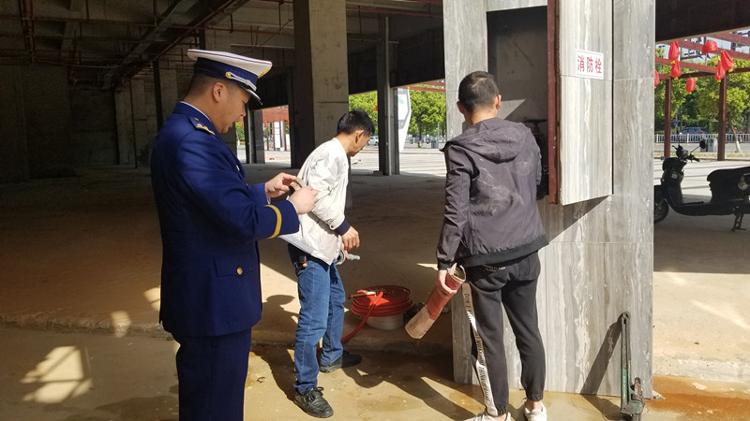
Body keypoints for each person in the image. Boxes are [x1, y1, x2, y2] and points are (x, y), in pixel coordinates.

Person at [150, 49, 317, 421]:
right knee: (216, 408)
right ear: (218, 91)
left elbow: (210, 204)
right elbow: (240, 221)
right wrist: (294, 208)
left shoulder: (186, 133)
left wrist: (262, 191)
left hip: (208, 299)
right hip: (212, 304)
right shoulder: (194, 142)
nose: (243, 113)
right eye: (243, 101)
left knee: (212, 401)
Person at [435, 71, 549, 421]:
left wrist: (444, 261)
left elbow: (455, 211)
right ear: (498, 101)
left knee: (488, 340)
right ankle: (535, 406)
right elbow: (537, 181)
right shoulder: (525, 136)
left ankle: (497, 414)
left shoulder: (460, 149)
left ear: (460, 107)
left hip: (485, 260)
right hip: (527, 249)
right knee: (528, 329)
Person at [281, 110, 374, 418]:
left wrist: (336, 243)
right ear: (359, 134)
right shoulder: (331, 155)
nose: (363, 147)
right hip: (309, 248)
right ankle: (305, 387)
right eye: (366, 141)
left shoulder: (333, 154)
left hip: (322, 247)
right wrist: (344, 228)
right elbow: (314, 197)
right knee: (313, 320)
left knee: (336, 299)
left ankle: (332, 355)